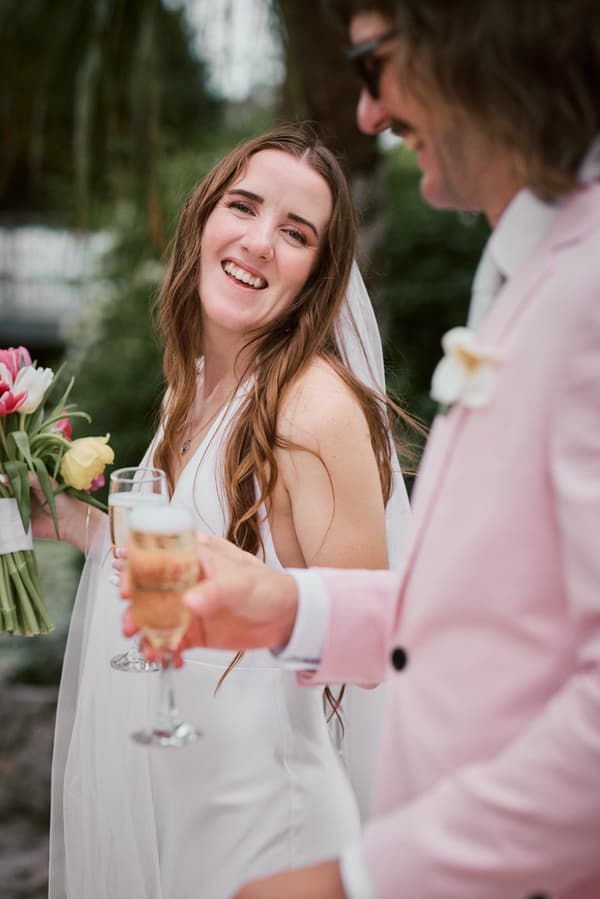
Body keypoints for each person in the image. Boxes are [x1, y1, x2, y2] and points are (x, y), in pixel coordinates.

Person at [152, 2, 600, 897]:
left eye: (373, 63)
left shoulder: (588, 293)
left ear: (474, 43)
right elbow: (493, 610)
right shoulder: (529, 268)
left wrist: (362, 879)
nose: (368, 113)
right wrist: (290, 607)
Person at [34, 125, 412, 899]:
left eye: (296, 233)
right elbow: (182, 558)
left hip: (266, 831)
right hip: (176, 800)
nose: (260, 241)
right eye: (244, 206)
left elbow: (373, 645)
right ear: (204, 219)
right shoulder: (193, 386)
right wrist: (68, 518)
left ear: (318, 278)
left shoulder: (314, 406)